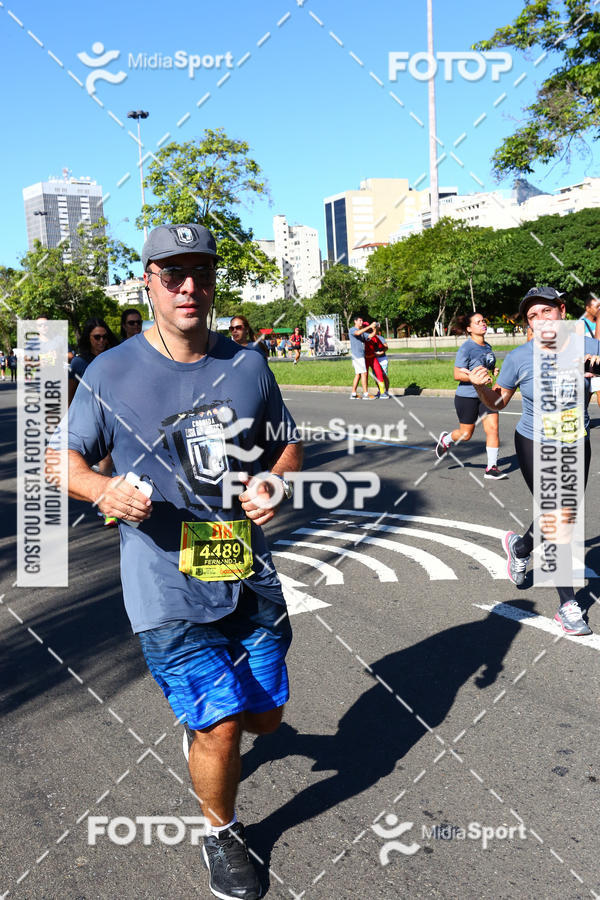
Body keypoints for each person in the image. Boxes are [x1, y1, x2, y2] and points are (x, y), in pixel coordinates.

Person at [64, 223, 303, 900]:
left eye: (201, 272)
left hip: (244, 571)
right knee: (221, 725)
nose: (189, 286)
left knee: (264, 717)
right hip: (163, 581)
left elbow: (286, 445)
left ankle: (210, 740)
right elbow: (63, 459)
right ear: (149, 282)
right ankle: (222, 832)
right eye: (173, 274)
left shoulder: (249, 365)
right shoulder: (110, 371)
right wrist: (102, 489)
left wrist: (274, 481)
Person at [466, 285, 600, 636]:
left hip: (576, 440)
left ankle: (520, 546)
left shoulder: (589, 347)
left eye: (546, 311)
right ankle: (567, 605)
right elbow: (498, 402)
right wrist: (481, 387)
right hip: (534, 441)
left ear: (562, 311)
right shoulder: (519, 357)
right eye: (532, 315)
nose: (540, 319)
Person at [435, 311, 507, 480]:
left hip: (486, 395)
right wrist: (474, 379)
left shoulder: (487, 346)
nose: (483, 324)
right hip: (467, 396)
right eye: (478, 322)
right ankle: (446, 440)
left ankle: (491, 468)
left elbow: (486, 365)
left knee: (493, 428)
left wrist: (493, 370)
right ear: (469, 328)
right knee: (466, 435)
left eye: (483, 321)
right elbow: (457, 374)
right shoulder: (466, 347)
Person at [349, 315, 376, 399]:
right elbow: (357, 333)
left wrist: (375, 328)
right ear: (355, 321)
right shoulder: (352, 329)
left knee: (358, 374)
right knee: (364, 373)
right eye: (360, 320)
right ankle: (365, 394)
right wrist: (369, 326)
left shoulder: (362, 332)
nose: (361, 322)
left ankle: (353, 394)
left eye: (362, 321)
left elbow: (370, 336)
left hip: (360, 356)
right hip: (357, 356)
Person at [364, 322, 390, 399]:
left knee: (382, 375)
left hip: (379, 358)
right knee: (370, 376)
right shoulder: (361, 336)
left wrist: (380, 353)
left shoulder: (377, 337)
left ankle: (385, 392)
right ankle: (377, 392)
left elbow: (385, 347)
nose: (368, 330)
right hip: (367, 358)